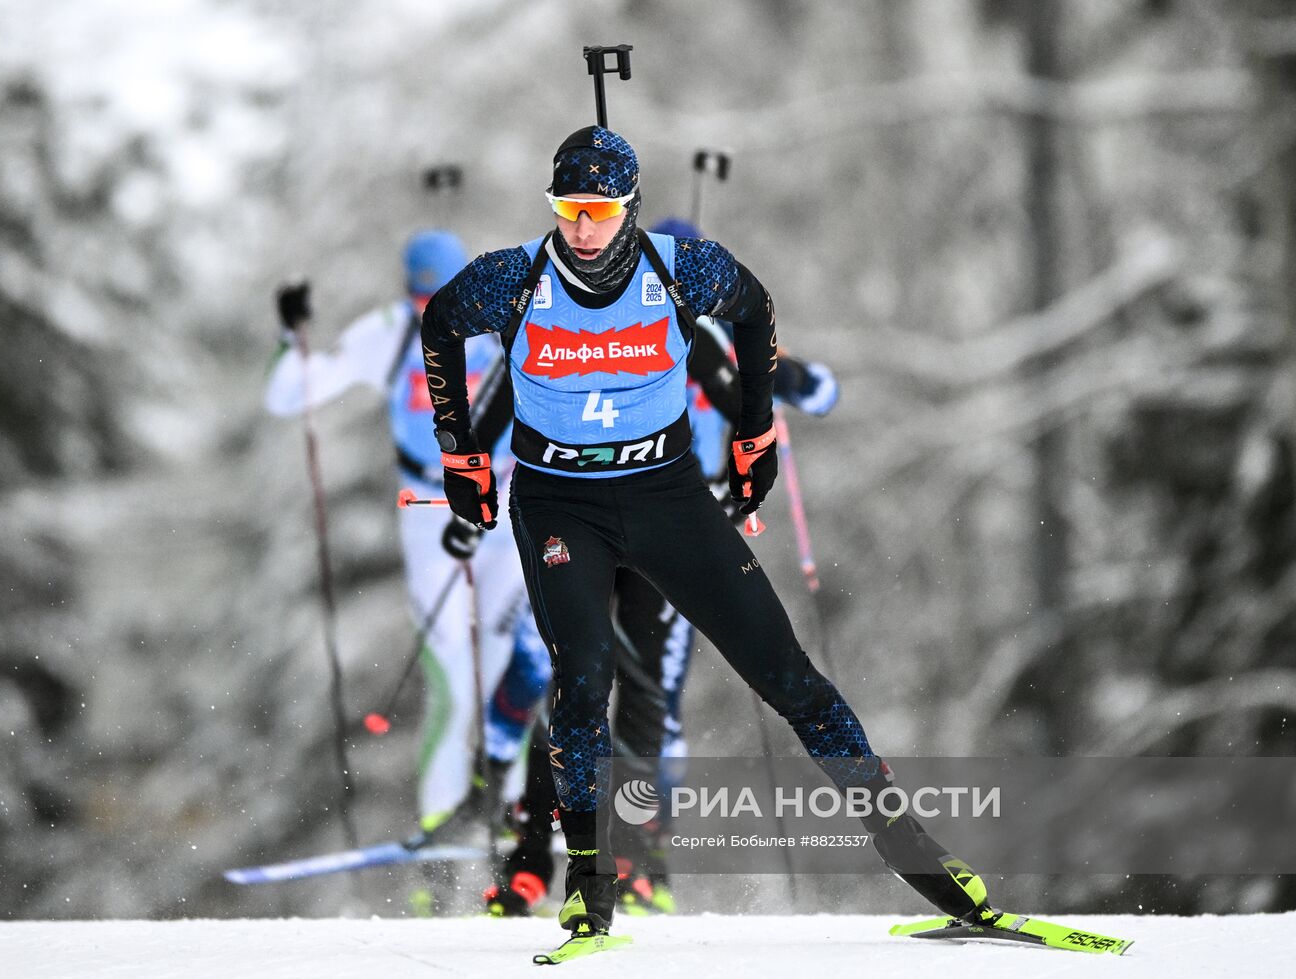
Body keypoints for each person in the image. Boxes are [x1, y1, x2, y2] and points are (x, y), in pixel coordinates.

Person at [420, 127, 993, 947]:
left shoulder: (676, 268)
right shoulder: (516, 277)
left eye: (600, 210)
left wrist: (754, 436)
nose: (583, 228)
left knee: (787, 672)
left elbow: (756, 310)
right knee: (582, 681)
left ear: (630, 207)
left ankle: (920, 857)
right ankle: (588, 880)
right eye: (569, 210)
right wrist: (461, 453)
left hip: (667, 495)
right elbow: (440, 324)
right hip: (561, 504)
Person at [481, 214, 843, 919]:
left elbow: (788, 387)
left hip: (661, 521)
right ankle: (588, 852)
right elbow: (797, 390)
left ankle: (554, 850)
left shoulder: (679, 322)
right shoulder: (640, 323)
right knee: (621, 691)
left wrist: (779, 385)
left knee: (605, 688)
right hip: (628, 517)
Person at [264, 230, 551, 875]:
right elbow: (288, 395)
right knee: (451, 677)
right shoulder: (390, 331)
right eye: (422, 297)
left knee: (510, 663)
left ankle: (511, 826)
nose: (433, 312)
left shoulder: (507, 319)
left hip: (506, 506)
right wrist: (294, 339)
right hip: (428, 510)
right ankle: (442, 848)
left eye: (443, 296)